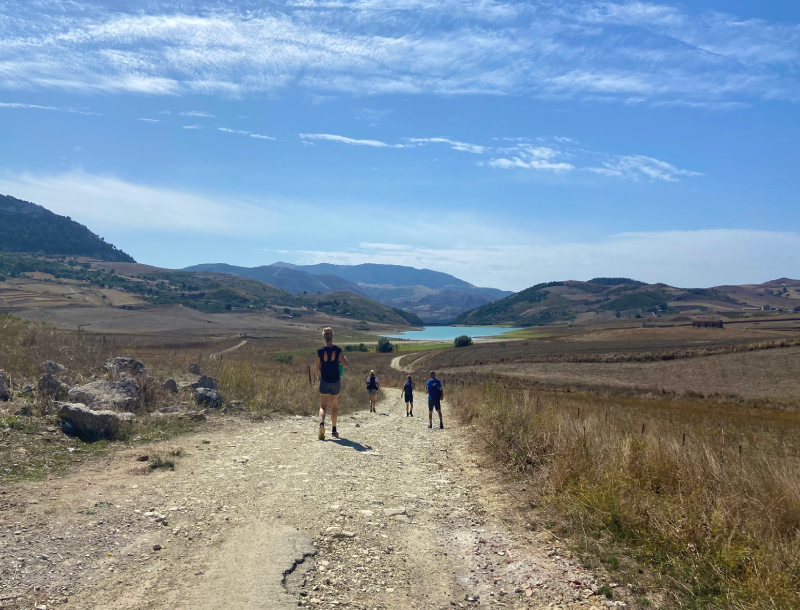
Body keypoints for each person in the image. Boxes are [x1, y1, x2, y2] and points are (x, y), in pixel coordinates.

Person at [317, 327, 348, 440]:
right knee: (334, 407)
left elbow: (317, 368)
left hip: (324, 381)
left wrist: (324, 371)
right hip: (335, 381)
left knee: (323, 407)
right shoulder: (338, 350)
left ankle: (321, 425)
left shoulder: (320, 351)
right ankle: (334, 430)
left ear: (324, 337)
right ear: (332, 337)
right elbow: (345, 365)